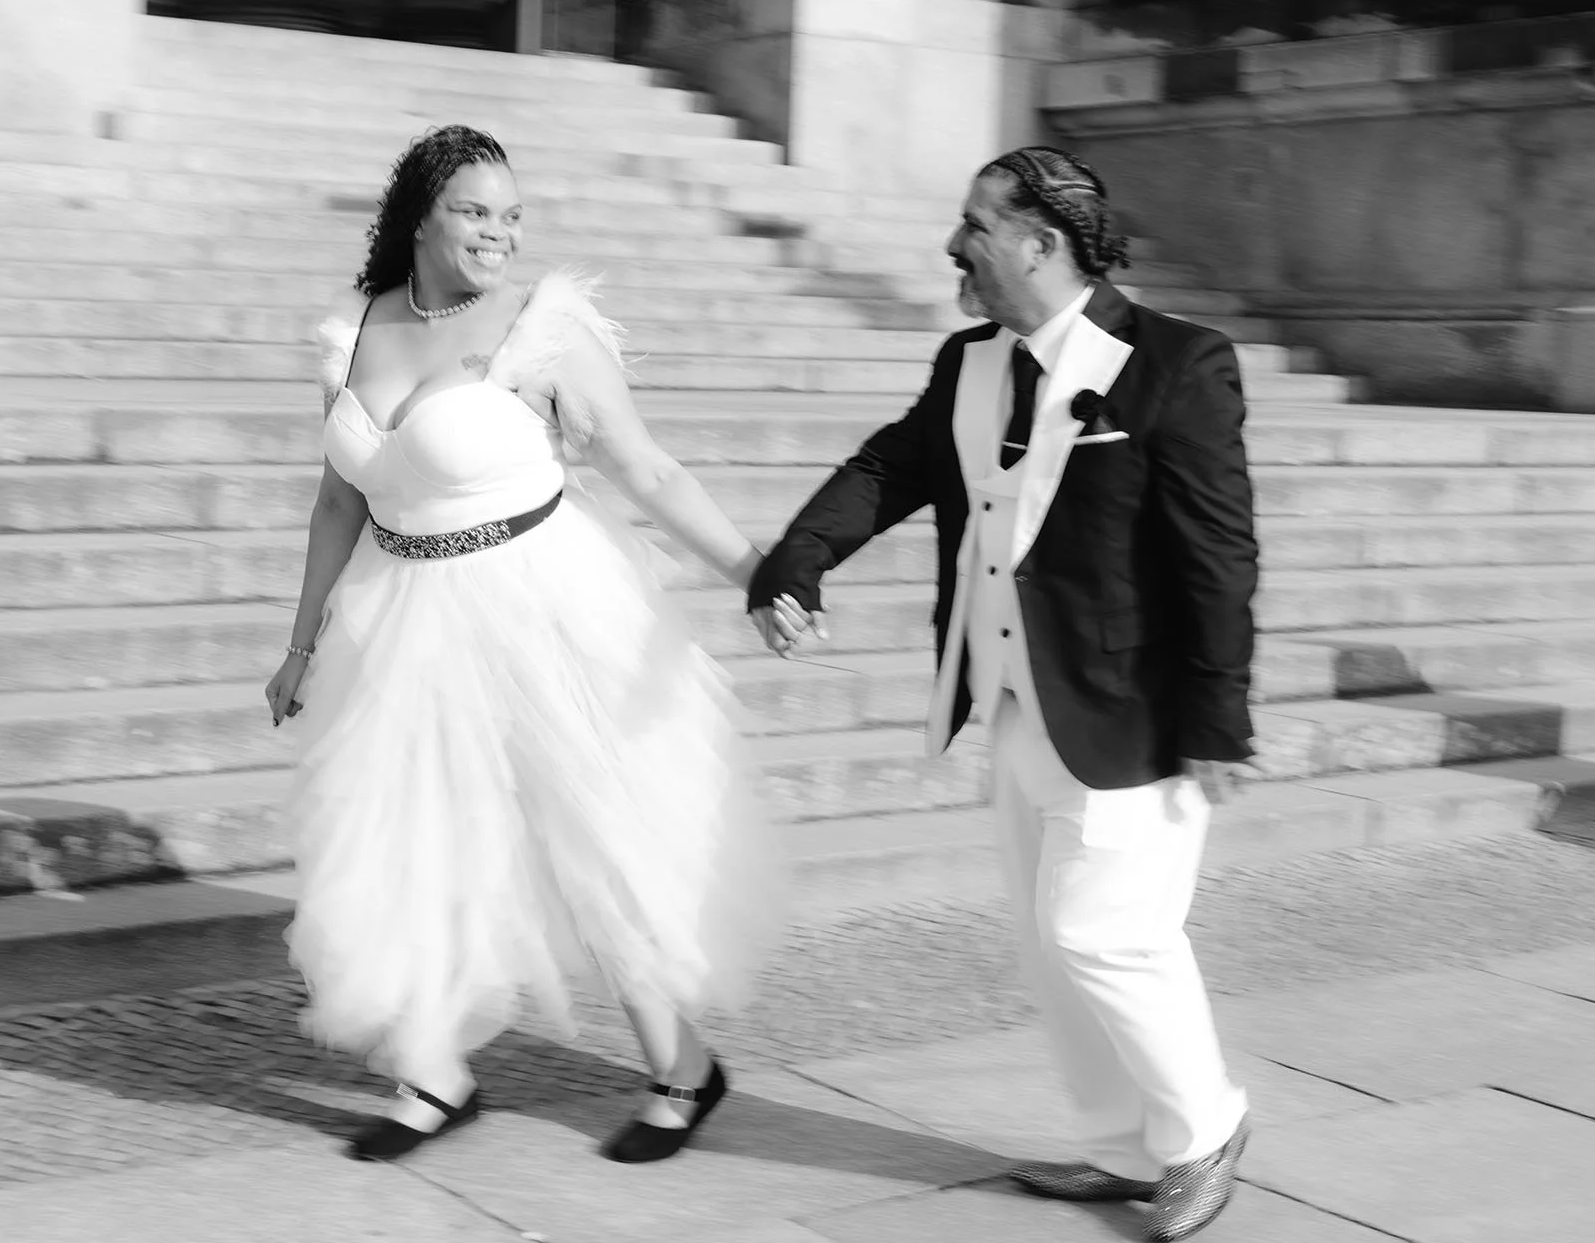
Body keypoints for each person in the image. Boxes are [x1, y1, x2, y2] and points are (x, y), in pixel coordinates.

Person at [748, 145, 1256, 1241]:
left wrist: (1220, 716)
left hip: (1136, 712)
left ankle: (1205, 1127)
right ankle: (1123, 1149)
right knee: (1044, 939)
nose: (956, 245)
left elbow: (1219, 557)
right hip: (1018, 701)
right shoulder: (971, 360)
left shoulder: (1178, 362)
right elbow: (893, 467)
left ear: (1041, 241)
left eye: (977, 225)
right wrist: (798, 556)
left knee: (1106, 931)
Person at [265, 125, 779, 1166]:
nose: (498, 234)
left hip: (541, 608)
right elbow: (337, 502)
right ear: (419, 216)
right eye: (474, 212)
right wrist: (302, 641)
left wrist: (759, 572)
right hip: (400, 615)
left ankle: (684, 1068)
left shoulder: (543, 330)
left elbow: (647, 470)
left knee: (588, 831)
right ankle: (432, 1075)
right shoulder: (354, 331)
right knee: (409, 837)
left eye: (511, 215)